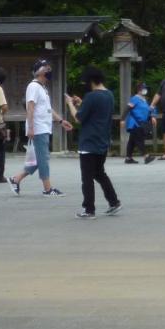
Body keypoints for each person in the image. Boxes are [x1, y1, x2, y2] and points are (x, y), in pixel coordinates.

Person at [9, 60, 72, 197]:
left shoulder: (42, 88)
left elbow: (48, 109)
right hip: (38, 127)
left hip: (43, 126)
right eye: (47, 68)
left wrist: (61, 121)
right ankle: (47, 189)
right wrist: (31, 127)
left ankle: (16, 179)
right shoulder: (33, 86)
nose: (50, 71)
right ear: (41, 71)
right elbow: (30, 107)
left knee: (39, 159)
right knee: (43, 158)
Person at [65, 66, 121, 219]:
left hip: (89, 142)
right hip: (102, 140)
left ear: (91, 81)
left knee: (87, 177)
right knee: (99, 173)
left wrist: (70, 103)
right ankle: (114, 201)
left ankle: (89, 209)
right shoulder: (109, 95)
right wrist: (81, 103)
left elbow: (78, 118)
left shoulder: (91, 96)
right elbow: (96, 111)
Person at [124, 82, 156, 165]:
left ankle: (128, 158)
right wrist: (122, 119)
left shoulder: (144, 100)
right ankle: (146, 156)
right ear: (138, 90)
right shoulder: (135, 98)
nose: (145, 90)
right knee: (139, 140)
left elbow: (148, 111)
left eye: (145, 88)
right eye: (143, 88)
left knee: (132, 141)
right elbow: (127, 108)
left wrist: (152, 117)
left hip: (141, 123)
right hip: (134, 123)